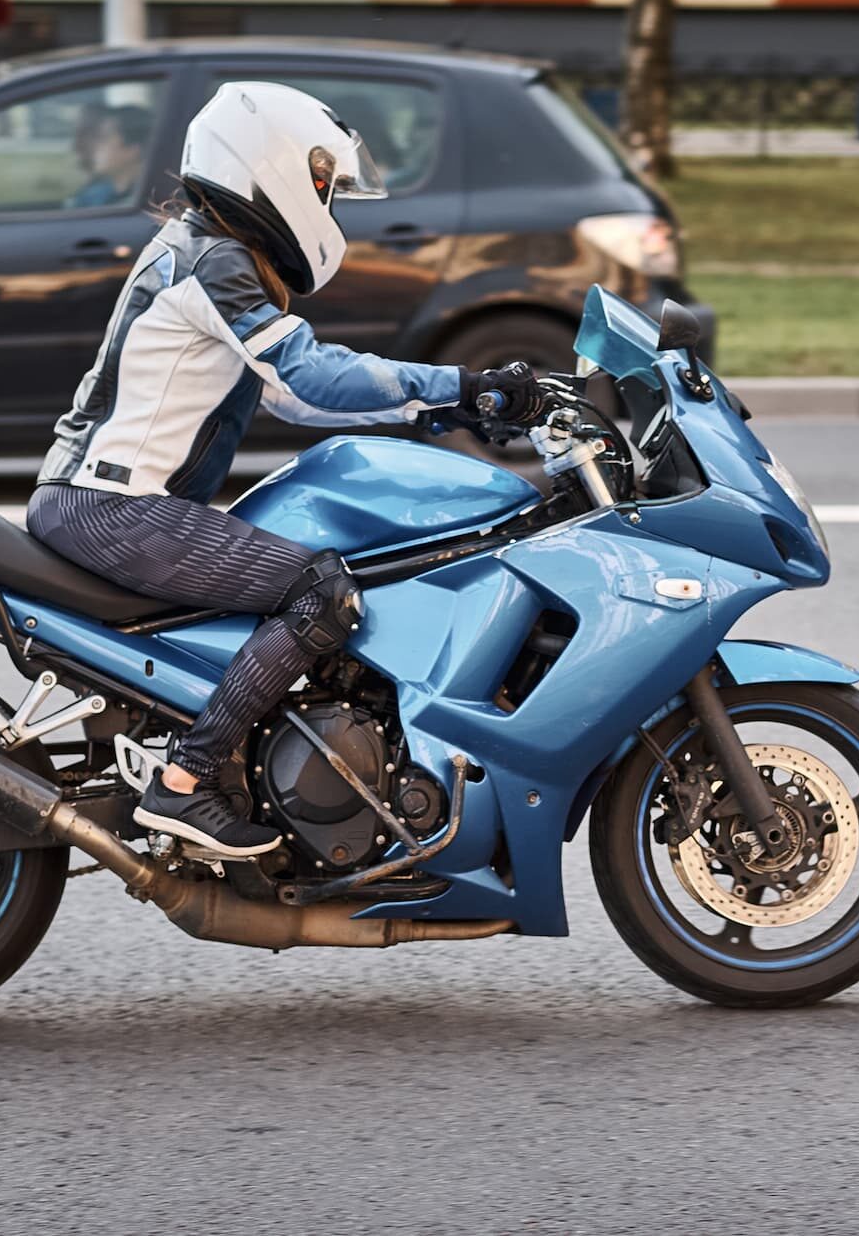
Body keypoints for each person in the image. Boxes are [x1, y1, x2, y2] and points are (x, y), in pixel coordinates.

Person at [27, 82, 544, 856]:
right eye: (325, 189)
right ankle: (186, 783)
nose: (330, 211)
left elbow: (293, 401)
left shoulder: (207, 250)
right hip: (114, 509)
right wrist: (461, 384)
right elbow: (310, 375)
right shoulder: (216, 260)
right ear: (270, 169)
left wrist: (446, 412)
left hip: (104, 502)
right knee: (321, 592)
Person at [66, 103, 152, 208]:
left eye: (102, 139)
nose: (93, 147)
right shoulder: (98, 194)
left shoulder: (149, 203)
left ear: (133, 149)